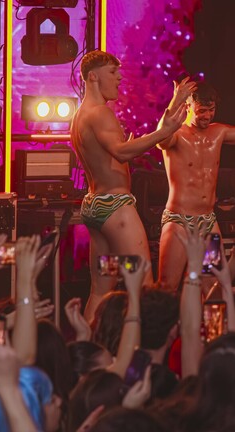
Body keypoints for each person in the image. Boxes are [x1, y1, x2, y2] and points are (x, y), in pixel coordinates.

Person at [70, 50, 187, 319]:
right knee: (143, 285)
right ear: (93, 77)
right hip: (116, 211)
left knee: (101, 289)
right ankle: (142, 345)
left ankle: (88, 345)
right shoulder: (100, 113)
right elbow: (121, 152)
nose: (120, 78)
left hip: (95, 209)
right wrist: (164, 132)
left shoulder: (79, 115)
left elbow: (111, 154)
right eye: (113, 72)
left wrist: (129, 147)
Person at [157, 70, 235, 291]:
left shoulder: (218, 132)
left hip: (208, 222)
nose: (207, 116)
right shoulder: (176, 134)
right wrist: (175, 100)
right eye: (202, 110)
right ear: (188, 107)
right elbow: (161, 138)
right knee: (167, 286)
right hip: (178, 220)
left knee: (213, 287)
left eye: (211, 110)